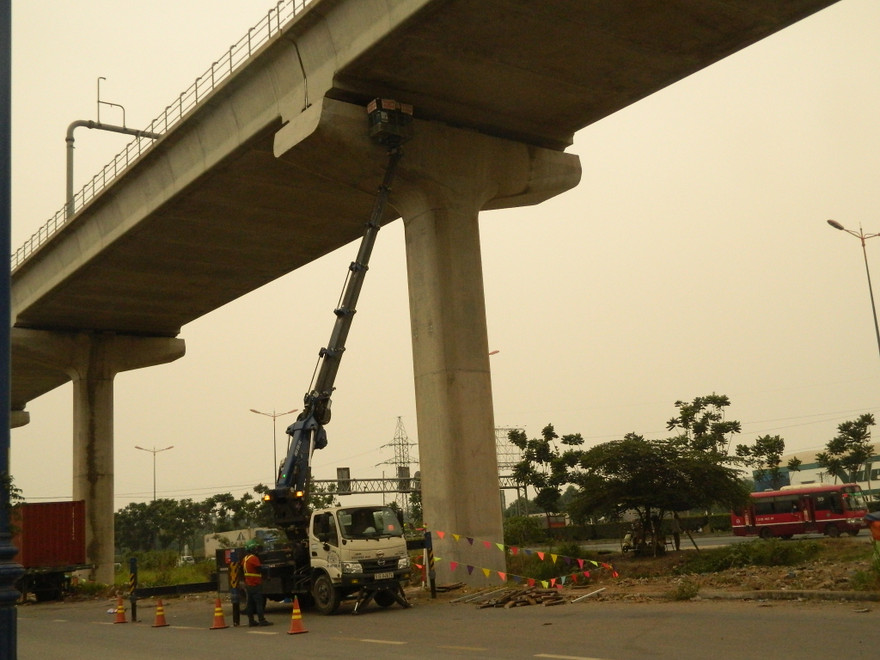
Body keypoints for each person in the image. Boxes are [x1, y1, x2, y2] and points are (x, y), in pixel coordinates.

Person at [242, 539, 272, 627]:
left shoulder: (245, 559)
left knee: (250, 604)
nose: (256, 550)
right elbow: (259, 569)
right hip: (255, 583)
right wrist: (267, 572)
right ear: (251, 549)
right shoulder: (254, 558)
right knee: (259, 603)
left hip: (248, 584)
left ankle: (251, 621)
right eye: (255, 548)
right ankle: (262, 620)